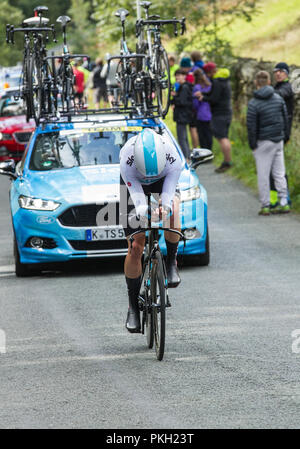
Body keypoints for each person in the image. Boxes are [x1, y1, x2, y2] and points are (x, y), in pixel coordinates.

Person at [119, 128, 183, 333]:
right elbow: (137, 198)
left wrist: (164, 208)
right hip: (134, 186)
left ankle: (171, 261)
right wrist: (144, 211)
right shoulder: (126, 157)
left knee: (173, 209)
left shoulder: (173, 157)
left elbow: (168, 193)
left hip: (164, 182)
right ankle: (133, 306)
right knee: (136, 245)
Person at [246, 70, 290, 216]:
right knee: (279, 173)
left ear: (256, 83)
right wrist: (285, 137)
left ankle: (266, 205)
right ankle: (283, 202)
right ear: (269, 82)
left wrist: (252, 144)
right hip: (278, 140)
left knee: (263, 175)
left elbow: (251, 126)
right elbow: (285, 119)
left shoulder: (254, 103)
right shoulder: (278, 98)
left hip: (263, 142)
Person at [197, 62, 233, 173]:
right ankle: (227, 161)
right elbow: (214, 94)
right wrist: (203, 94)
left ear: (211, 72)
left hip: (220, 114)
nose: (207, 76)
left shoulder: (217, 82)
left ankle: (227, 162)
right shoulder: (223, 80)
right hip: (226, 112)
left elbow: (214, 98)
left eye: (207, 74)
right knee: (223, 137)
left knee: (222, 138)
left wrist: (203, 98)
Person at [270, 62, 295, 207]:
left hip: (282, 133)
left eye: (281, 71)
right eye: (276, 72)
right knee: (276, 166)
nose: (278, 74)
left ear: (286, 73)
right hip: (276, 131)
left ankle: (285, 197)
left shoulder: (287, 87)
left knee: (278, 167)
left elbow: (280, 95)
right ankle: (279, 197)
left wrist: (264, 91)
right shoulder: (277, 87)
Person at [171, 68, 194, 161]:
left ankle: (186, 158)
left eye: (179, 75)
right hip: (183, 115)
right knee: (184, 137)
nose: (177, 77)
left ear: (184, 76)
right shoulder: (183, 86)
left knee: (181, 138)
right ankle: (187, 155)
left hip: (182, 115)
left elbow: (182, 101)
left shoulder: (184, 87)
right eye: (176, 76)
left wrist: (174, 97)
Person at [179, 57, 198, 149]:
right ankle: (195, 148)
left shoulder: (189, 76)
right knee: (192, 128)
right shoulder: (195, 72)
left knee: (192, 128)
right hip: (194, 104)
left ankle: (195, 149)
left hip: (191, 105)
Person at [192, 69, 212, 150]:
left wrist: (195, 109)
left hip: (201, 113)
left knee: (201, 134)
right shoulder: (209, 85)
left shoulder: (197, 87)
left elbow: (195, 103)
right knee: (208, 133)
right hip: (210, 113)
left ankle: (204, 151)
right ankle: (210, 150)